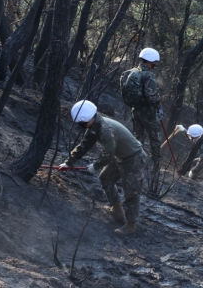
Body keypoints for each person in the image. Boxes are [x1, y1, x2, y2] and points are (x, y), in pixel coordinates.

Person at [61, 100, 146, 235]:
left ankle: (131, 225)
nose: (81, 126)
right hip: (119, 156)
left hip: (133, 159)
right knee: (105, 178)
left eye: (81, 124)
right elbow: (85, 145)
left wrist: (95, 165)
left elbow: (109, 152)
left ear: (88, 119)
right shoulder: (95, 125)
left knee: (132, 193)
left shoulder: (106, 129)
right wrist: (68, 162)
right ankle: (117, 210)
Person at [120, 48, 163, 183]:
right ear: (151, 61)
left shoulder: (130, 72)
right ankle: (156, 167)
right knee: (154, 139)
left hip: (135, 109)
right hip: (148, 112)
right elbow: (151, 96)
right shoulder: (148, 75)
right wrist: (158, 106)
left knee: (138, 137)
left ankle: (136, 163)